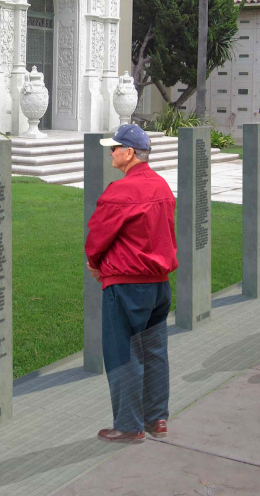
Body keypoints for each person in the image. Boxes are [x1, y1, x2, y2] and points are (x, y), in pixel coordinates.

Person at [85, 123, 177, 443]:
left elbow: (97, 238)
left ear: (129, 153)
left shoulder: (120, 191)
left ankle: (128, 425)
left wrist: (96, 265)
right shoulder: (163, 187)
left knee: (123, 353)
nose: (111, 152)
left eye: (115, 148)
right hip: (159, 286)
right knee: (154, 351)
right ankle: (157, 419)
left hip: (126, 286)